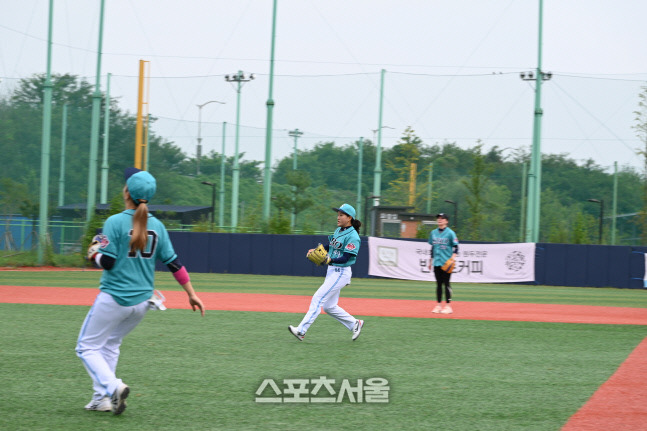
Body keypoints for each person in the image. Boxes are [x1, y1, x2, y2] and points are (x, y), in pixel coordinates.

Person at [76, 167, 205, 415]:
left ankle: (113, 387)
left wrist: (94, 254)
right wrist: (191, 293)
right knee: (110, 345)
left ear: (127, 192)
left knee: (86, 347)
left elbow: (109, 262)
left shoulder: (114, 221)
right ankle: (101, 399)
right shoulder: (157, 225)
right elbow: (174, 264)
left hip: (115, 297)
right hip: (143, 302)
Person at [288, 203, 364, 341]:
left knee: (318, 298)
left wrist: (329, 260)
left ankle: (301, 331)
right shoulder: (338, 230)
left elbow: (346, 257)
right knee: (329, 306)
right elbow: (331, 246)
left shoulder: (353, 236)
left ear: (349, 217)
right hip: (332, 271)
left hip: (341, 272)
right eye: (338, 214)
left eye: (341, 215)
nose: (338, 217)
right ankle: (355, 323)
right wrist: (317, 250)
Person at [428, 213, 459, 314]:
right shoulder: (433, 233)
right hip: (437, 262)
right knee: (438, 284)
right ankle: (438, 306)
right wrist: (430, 260)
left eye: (442, 218)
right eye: (438, 218)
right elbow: (432, 247)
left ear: (446, 221)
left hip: (446, 262)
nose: (440, 220)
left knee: (446, 284)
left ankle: (448, 306)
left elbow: (456, 247)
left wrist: (453, 258)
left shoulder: (450, 233)